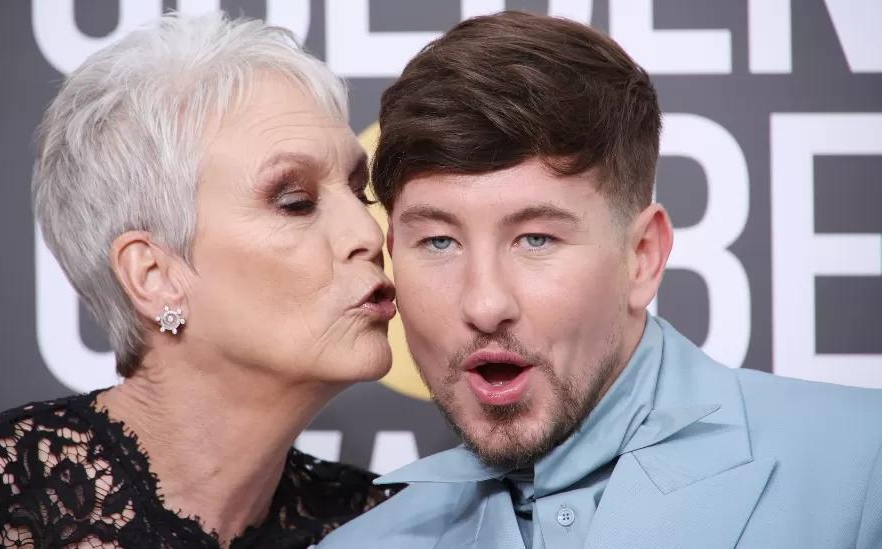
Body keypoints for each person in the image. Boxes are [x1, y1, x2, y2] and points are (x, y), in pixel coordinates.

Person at [319, 10, 882, 549]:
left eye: (536, 239)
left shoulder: (864, 464)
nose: (485, 304)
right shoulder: (361, 544)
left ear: (642, 257)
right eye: (439, 242)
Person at [0, 12, 400, 548]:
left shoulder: (385, 526)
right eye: (295, 202)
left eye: (361, 193)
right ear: (155, 276)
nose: (368, 233)